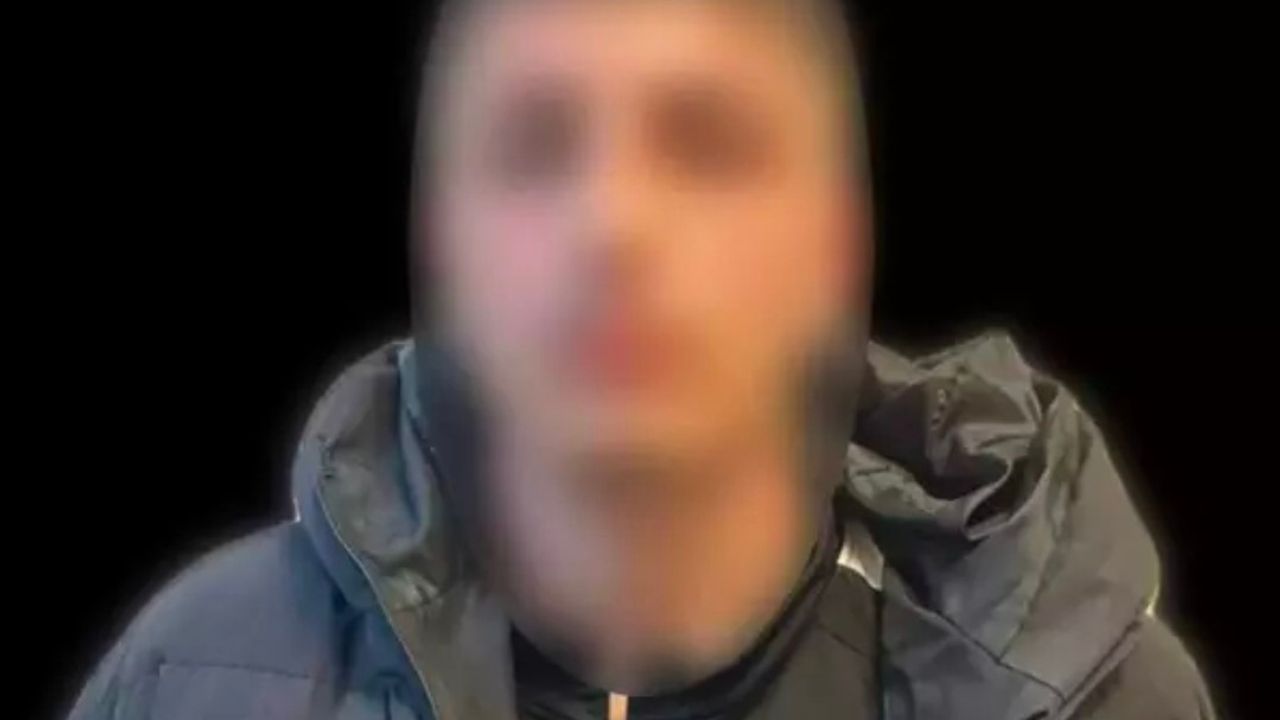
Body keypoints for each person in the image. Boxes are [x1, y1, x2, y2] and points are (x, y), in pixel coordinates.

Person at [67, 1, 1216, 718]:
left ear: (831, 244)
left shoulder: (1102, 700)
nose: (611, 224)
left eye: (706, 144)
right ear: (440, 242)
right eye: (533, 146)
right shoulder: (200, 674)